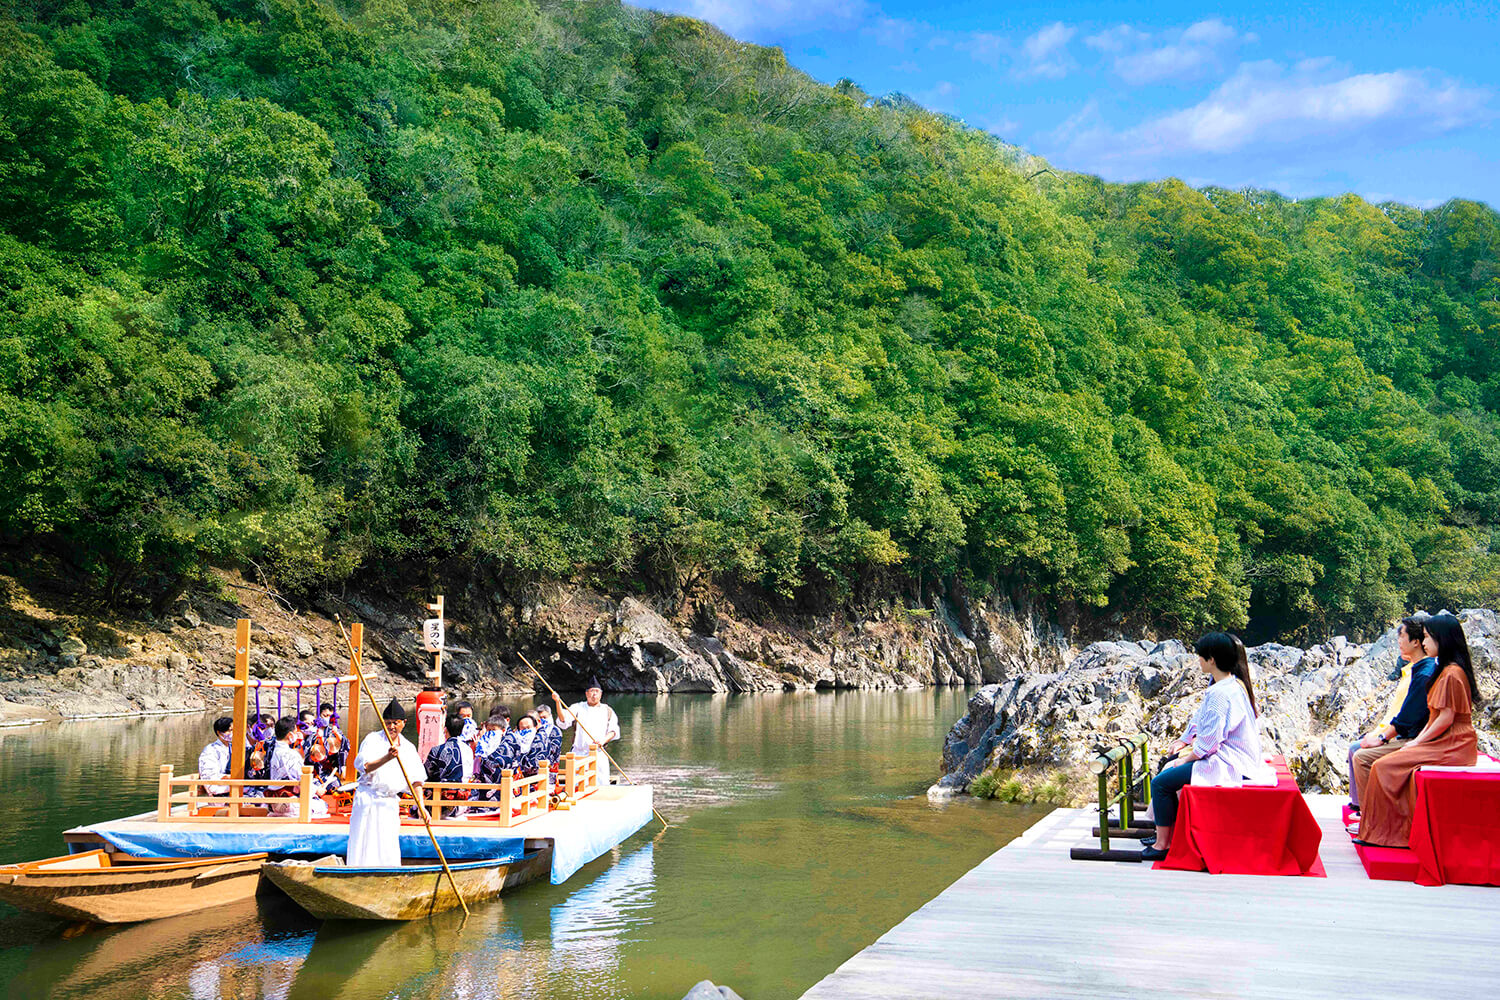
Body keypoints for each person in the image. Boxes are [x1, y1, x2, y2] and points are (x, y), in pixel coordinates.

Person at [1141, 633, 1274, 861]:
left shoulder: (1220, 693)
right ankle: (1166, 833)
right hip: (1234, 755)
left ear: (1212, 659)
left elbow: (1211, 741)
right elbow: (1202, 720)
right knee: (1169, 770)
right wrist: (1185, 741)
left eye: (1201, 657)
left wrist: (1188, 757)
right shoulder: (1232, 684)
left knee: (1161, 782)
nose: (1199, 661)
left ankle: (1163, 844)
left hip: (1228, 761)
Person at [1357, 613, 1481, 847]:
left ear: (1441, 639)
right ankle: (1385, 830)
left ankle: (1393, 833)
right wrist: (1419, 742)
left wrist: (1418, 742)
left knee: (1384, 766)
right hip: (1445, 740)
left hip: (1453, 743)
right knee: (1386, 764)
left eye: (1427, 638)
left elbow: (1445, 718)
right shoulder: (1445, 671)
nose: (1424, 643)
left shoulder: (1452, 673)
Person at [1347, 617, 1437, 823]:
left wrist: (1382, 738)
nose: (1398, 640)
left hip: (1414, 739)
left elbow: (1407, 717)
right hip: (1407, 735)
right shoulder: (1416, 670)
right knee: (1357, 748)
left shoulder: (1424, 672)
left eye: (1402, 635)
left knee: (1361, 756)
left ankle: (1372, 818)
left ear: (1417, 642)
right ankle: (1364, 809)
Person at [348, 698, 428, 867]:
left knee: (387, 842)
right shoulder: (372, 739)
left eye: (395, 723)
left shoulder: (407, 747)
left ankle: (386, 871)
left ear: (403, 723)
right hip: (369, 798)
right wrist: (387, 757)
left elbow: (416, 780)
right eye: (388, 723)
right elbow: (365, 766)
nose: (391, 727)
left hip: (389, 801)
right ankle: (359, 871)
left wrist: (421, 806)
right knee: (365, 840)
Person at [425, 715, 475, 818]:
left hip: (441, 804)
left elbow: (426, 773)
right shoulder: (468, 750)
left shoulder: (437, 750)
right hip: (464, 801)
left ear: (445, 729)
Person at [197, 717, 235, 797]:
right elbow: (209, 776)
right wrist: (227, 777)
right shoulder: (211, 750)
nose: (232, 733)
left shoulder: (234, 748)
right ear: (219, 733)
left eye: (234, 730)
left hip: (235, 788)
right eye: (229, 730)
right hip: (221, 792)